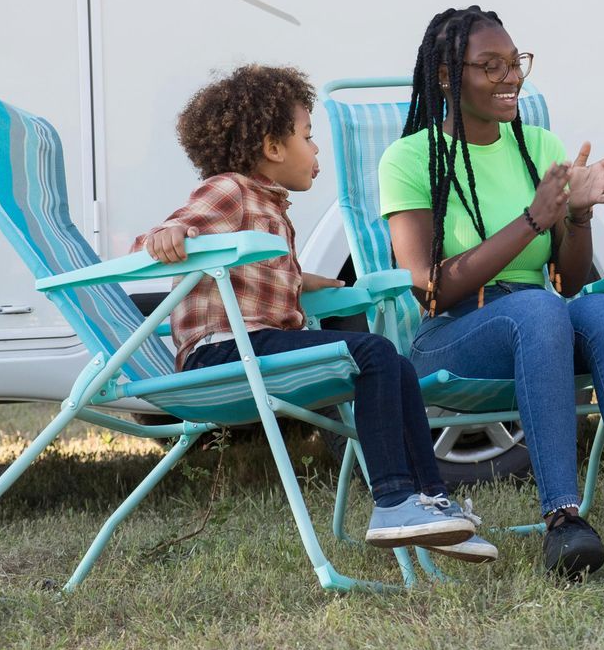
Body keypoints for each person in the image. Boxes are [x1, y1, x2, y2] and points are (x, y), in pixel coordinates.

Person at [138, 65, 496, 562]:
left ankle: (430, 502)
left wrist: (305, 281)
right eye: (308, 136)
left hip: (255, 348)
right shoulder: (230, 190)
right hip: (222, 353)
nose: (317, 149)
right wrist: (168, 237)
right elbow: (177, 229)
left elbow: (254, 272)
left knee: (393, 364)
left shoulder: (270, 207)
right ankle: (394, 501)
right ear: (272, 147)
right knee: (373, 354)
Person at [381, 6, 604, 579]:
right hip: (452, 337)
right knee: (539, 310)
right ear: (448, 76)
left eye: (515, 62)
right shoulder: (409, 159)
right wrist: (530, 219)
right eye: (490, 66)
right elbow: (430, 289)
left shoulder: (537, 143)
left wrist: (578, 217)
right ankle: (563, 522)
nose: (511, 77)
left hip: (538, 318)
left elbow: (570, 281)